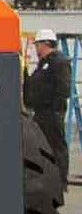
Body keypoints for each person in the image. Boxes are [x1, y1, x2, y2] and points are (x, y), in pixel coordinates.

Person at [23, 28, 72, 183]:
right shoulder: (44, 64)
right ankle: (47, 177)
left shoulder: (59, 62)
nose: (36, 48)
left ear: (44, 44)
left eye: (37, 45)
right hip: (41, 112)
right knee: (43, 146)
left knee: (56, 146)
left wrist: (56, 110)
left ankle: (60, 179)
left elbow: (63, 88)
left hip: (52, 113)